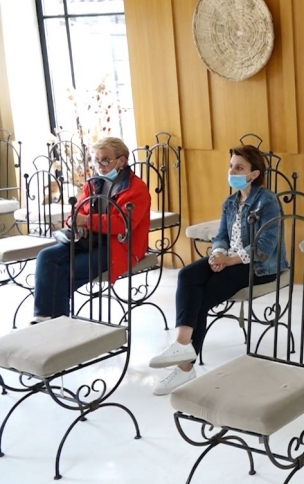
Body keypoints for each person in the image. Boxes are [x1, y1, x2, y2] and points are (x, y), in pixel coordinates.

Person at [149, 145, 288, 395]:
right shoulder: (231, 202)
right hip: (230, 258)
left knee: (203, 295)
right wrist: (217, 254)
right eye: (231, 166)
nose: (232, 171)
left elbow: (266, 246)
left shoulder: (267, 201)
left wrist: (230, 260)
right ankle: (182, 344)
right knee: (187, 275)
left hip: (260, 265)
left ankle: (184, 368)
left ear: (254, 174)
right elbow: (221, 235)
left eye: (239, 167)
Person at [32, 137, 151, 323]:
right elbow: (74, 214)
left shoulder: (136, 188)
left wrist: (87, 221)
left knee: (64, 273)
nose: (99, 166)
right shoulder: (94, 183)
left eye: (105, 160)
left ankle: (55, 324)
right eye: (96, 161)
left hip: (119, 246)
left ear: (122, 160)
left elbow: (122, 225)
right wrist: (76, 222)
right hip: (89, 240)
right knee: (46, 257)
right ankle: (43, 319)